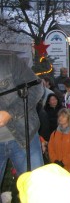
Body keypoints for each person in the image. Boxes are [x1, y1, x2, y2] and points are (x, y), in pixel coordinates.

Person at [0, 52, 44, 186]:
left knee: (37, 192)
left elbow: (36, 87)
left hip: (23, 138)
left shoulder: (9, 60)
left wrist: (10, 113)